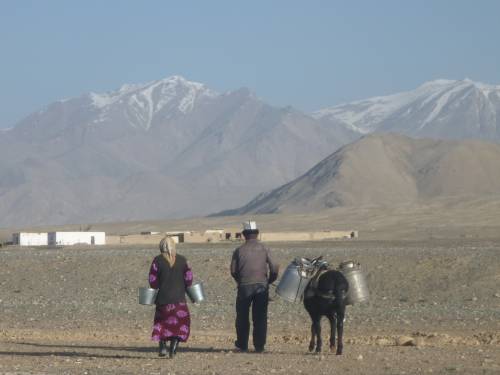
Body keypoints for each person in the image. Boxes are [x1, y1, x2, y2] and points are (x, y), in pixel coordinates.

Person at [230, 221, 279, 353]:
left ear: (244, 235)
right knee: (260, 317)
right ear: (257, 234)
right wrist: (269, 281)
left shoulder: (238, 250)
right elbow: (274, 267)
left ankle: (242, 344)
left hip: (244, 287)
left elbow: (233, 271)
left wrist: (240, 281)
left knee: (242, 316)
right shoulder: (265, 248)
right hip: (261, 287)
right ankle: (259, 346)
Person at [148, 236, 193, 358]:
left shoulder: (157, 260)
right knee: (180, 324)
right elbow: (189, 280)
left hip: (162, 301)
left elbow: (153, 282)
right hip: (179, 301)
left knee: (161, 323)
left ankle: (162, 346)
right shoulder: (183, 260)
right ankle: (173, 347)